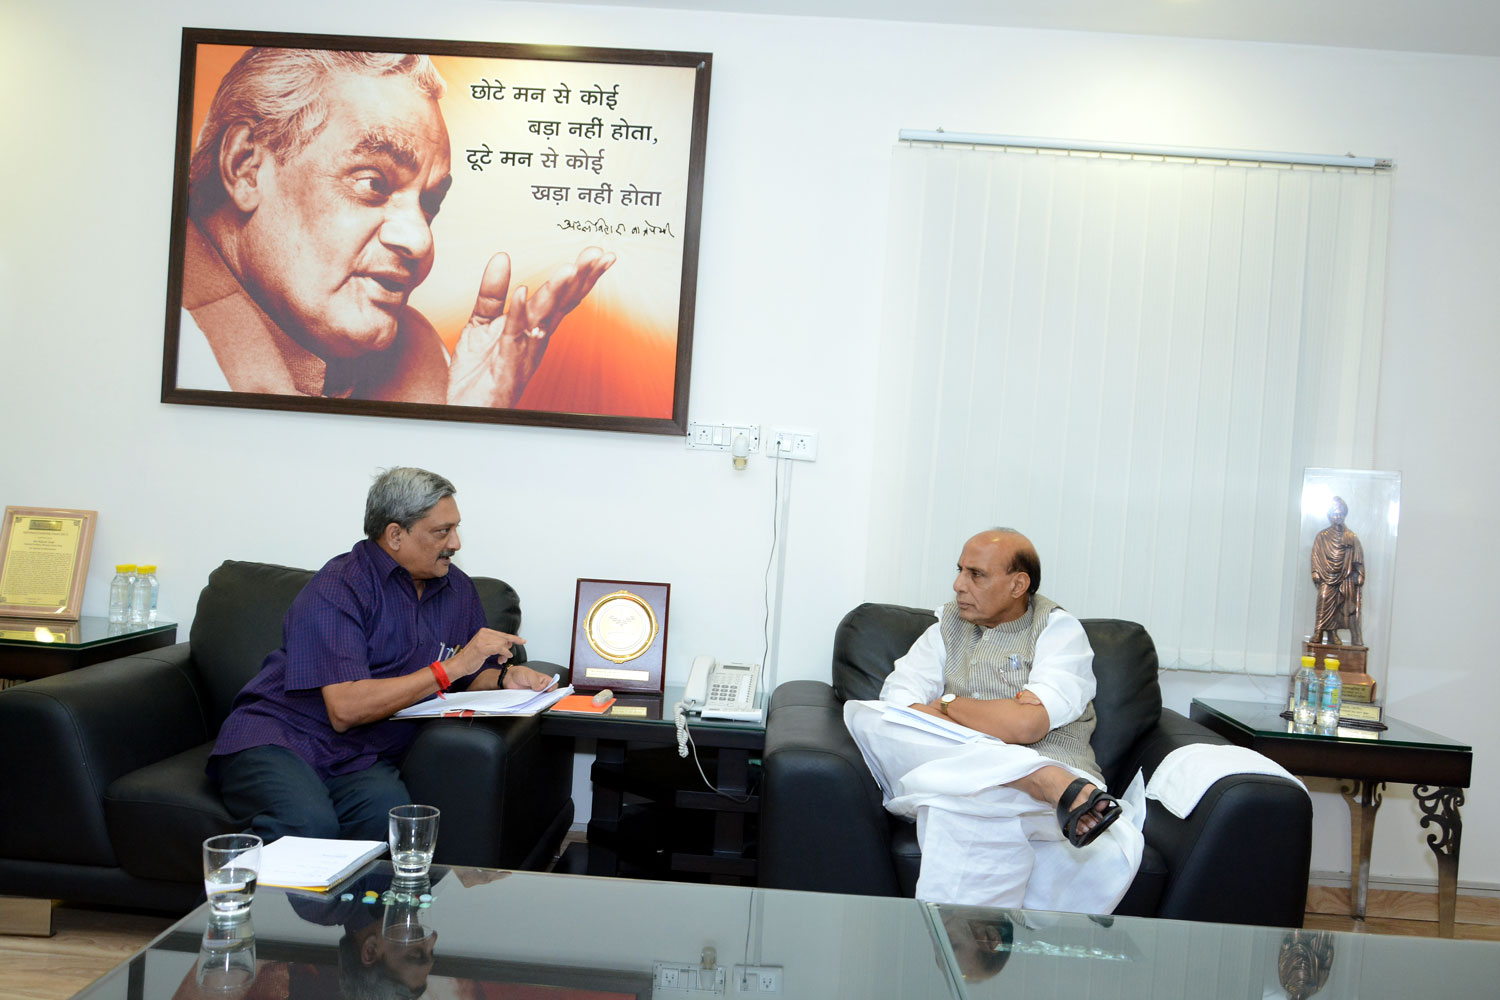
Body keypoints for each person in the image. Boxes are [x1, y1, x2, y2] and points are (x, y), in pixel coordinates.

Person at [179, 47, 615, 405]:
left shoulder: (429, 363)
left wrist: (467, 421)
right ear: (246, 167)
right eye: (372, 182)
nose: (420, 240)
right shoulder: (159, 336)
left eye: (429, 205)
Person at [210, 467, 555, 842]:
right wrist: (452, 667)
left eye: (456, 528)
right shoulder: (339, 586)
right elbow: (345, 710)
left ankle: (356, 904)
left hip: (360, 754)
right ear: (395, 535)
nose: (455, 543)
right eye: (442, 531)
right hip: (281, 737)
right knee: (305, 827)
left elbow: (468, 675)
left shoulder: (457, 590)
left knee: (389, 829)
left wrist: (505, 680)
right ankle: (222, 901)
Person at [844, 528, 1143, 912]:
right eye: (960, 571)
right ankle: (1039, 778)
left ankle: (960, 953)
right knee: (868, 717)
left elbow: (1025, 728)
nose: (958, 585)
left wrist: (945, 704)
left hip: (1048, 794)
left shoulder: (1059, 632)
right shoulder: (944, 628)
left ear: (1019, 584)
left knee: (955, 808)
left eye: (976, 574)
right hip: (1057, 793)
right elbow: (897, 702)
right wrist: (997, 716)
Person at [1310, 496, 1364, 646]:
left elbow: (1358, 558)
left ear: (1344, 515)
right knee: (1324, 598)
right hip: (1327, 577)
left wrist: (1359, 574)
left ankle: (1334, 634)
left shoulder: (1351, 537)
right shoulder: (1322, 536)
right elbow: (1316, 555)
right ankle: (1319, 632)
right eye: (1335, 513)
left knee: (1342, 606)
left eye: (1340, 514)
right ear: (1330, 515)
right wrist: (1315, 571)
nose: (1337, 516)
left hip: (1345, 577)